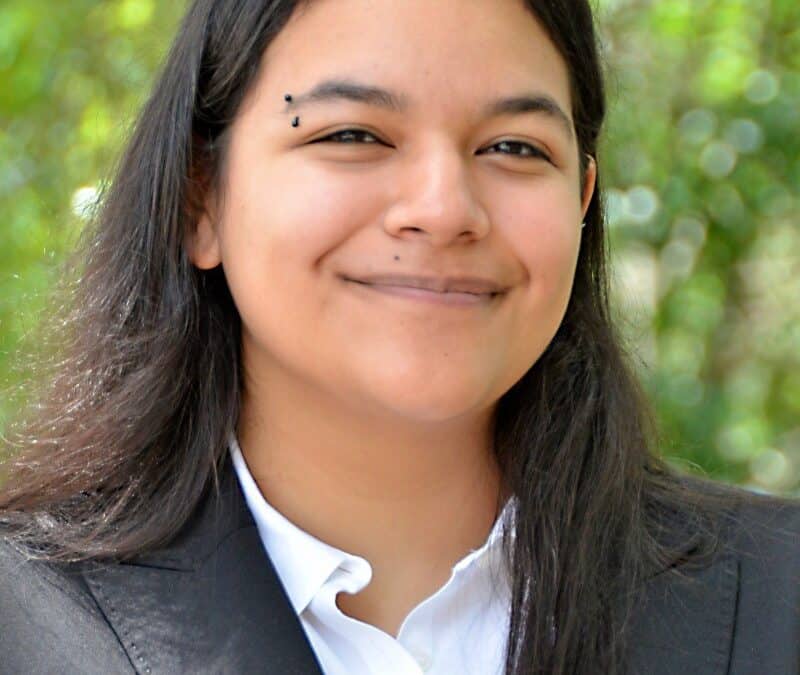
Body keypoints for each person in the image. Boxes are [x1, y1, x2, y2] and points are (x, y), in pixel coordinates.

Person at [1, 1, 798, 673]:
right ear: (199, 195)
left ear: (582, 199)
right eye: (353, 135)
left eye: (514, 147)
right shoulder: (25, 621)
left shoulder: (779, 599)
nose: (443, 209)